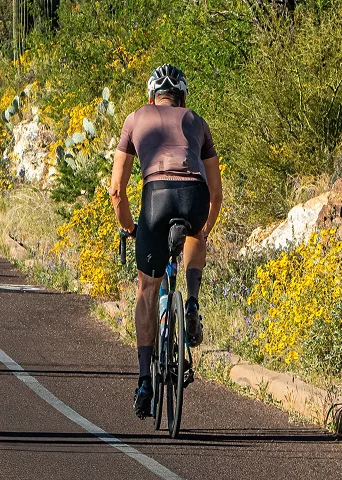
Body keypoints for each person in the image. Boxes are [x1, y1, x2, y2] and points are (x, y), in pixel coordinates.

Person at [110, 64, 224, 418]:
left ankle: (145, 381)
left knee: (146, 291)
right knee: (195, 233)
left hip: (155, 196)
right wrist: (204, 229)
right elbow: (217, 193)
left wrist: (131, 227)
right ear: (182, 98)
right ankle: (191, 302)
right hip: (194, 193)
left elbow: (117, 190)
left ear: (151, 97)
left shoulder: (134, 118)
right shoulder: (197, 121)